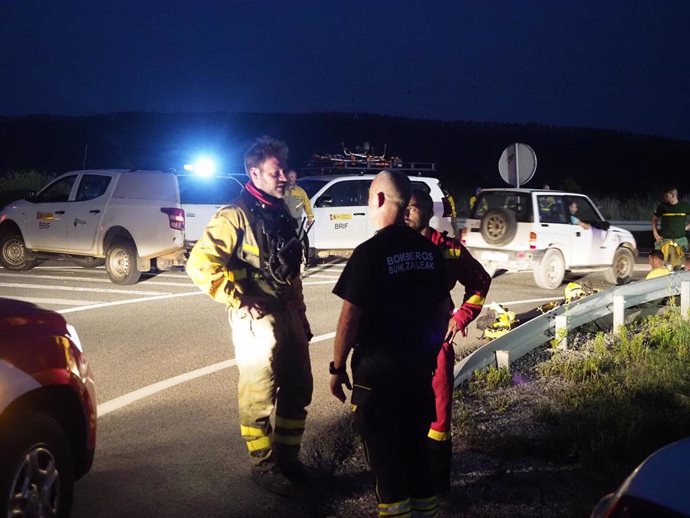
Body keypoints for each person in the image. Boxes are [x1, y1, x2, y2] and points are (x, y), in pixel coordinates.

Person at [186, 137, 313, 495]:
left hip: (287, 314)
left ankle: (289, 460)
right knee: (258, 396)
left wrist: (300, 316)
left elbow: (292, 272)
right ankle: (264, 466)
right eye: (276, 172)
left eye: (284, 171)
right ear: (253, 172)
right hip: (257, 322)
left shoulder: (283, 211)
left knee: (298, 389)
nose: (284, 178)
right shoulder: (233, 216)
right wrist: (236, 299)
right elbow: (199, 265)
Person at [330, 170, 450, 517]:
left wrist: (337, 368)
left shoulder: (369, 253)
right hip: (417, 375)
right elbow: (443, 310)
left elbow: (349, 318)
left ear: (380, 200)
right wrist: (427, 353)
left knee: (388, 469)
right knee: (418, 460)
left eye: (369, 199)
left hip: (378, 380)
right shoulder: (430, 252)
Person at [405, 189, 491, 492]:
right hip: (398, 346)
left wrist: (461, 317)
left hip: (435, 343)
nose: (405, 213)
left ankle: (438, 484)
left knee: (439, 416)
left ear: (428, 212)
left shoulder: (449, 250)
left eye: (412, 209)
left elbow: (480, 282)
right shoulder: (392, 246)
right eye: (403, 207)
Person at [651, 186, 690, 269]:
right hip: (664, 242)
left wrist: (687, 226)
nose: (664, 198)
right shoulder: (662, 207)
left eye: (666, 196)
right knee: (658, 266)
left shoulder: (684, 206)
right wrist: (655, 233)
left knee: (677, 268)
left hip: (678, 242)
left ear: (672, 195)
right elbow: (654, 219)